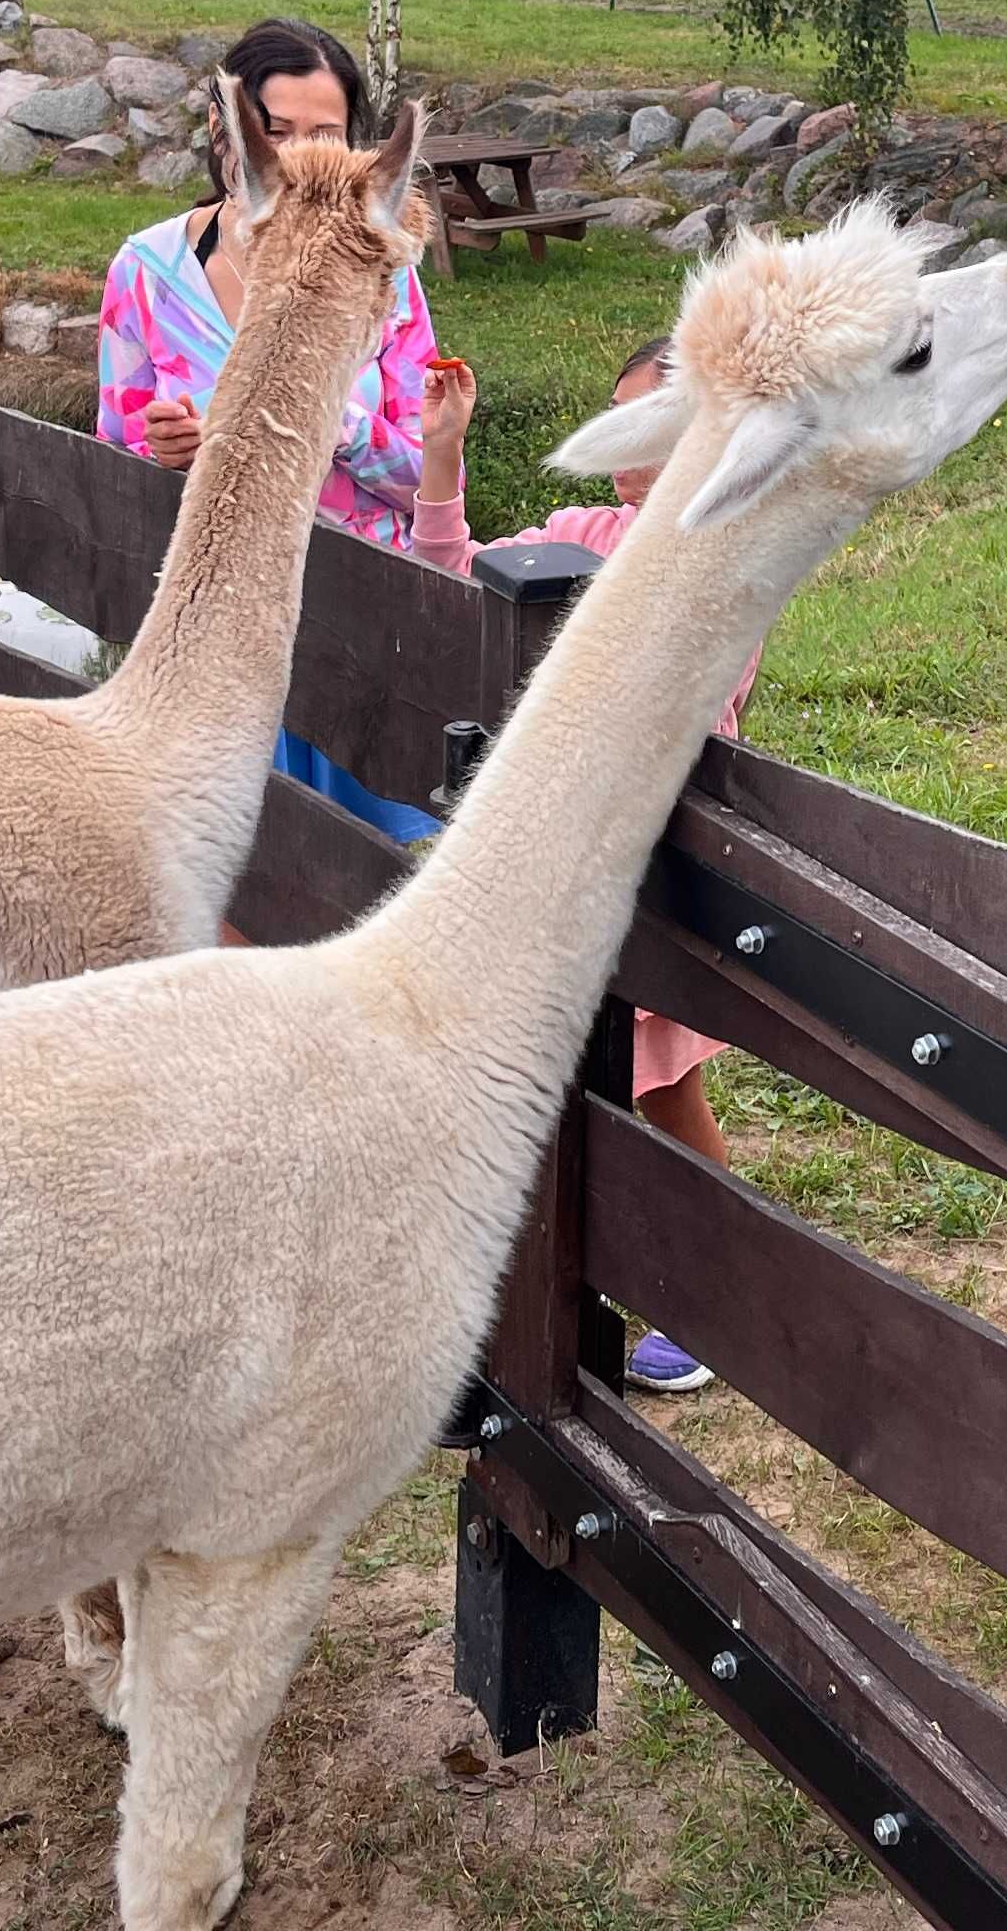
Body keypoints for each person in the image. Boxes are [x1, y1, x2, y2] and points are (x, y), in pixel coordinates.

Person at [411, 336, 748, 1394]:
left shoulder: (724, 550)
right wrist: (438, 461)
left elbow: (685, 698)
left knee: (664, 1092)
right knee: (540, 1089)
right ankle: (536, 1300)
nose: (619, 450)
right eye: (612, 423)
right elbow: (455, 577)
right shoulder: (575, 532)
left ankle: (713, 1292)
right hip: (555, 863)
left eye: (644, 427)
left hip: (648, 860)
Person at [95, 17, 444, 841]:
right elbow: (111, 447)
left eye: (323, 133)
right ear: (232, 135)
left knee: (372, 870)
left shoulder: (382, 278)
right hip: (218, 638)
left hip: (362, 624)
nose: (298, 155)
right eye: (276, 131)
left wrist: (318, 418)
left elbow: (426, 473)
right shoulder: (146, 276)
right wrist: (162, 445)